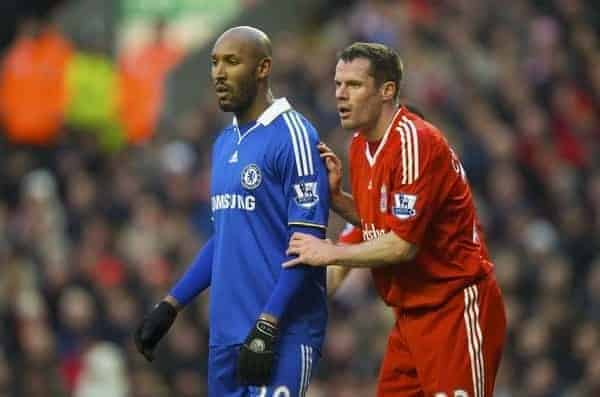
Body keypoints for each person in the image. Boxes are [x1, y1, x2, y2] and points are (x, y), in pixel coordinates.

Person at [284, 42, 507, 397]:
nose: (340, 95)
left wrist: (329, 253)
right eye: (337, 84)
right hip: (409, 318)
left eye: (353, 85)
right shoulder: (359, 146)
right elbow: (377, 226)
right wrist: (337, 199)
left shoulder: (416, 142)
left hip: (454, 307)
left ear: (387, 90)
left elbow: (401, 245)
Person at [134, 26, 330, 396]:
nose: (218, 73)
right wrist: (172, 304)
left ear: (263, 68)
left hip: (281, 332)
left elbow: (308, 241)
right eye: (214, 63)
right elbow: (225, 238)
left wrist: (268, 323)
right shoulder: (224, 142)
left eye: (232, 61)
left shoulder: (294, 135)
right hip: (226, 335)